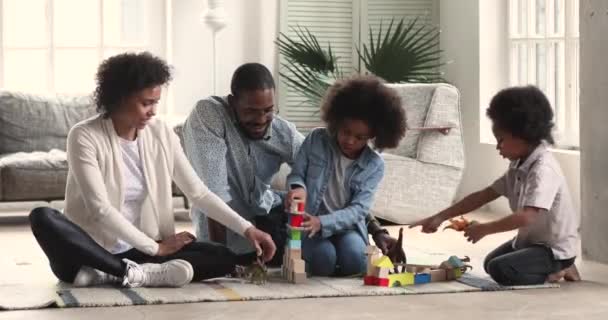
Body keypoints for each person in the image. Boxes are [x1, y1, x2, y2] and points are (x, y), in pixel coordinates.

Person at [29, 52, 275, 288]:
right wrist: (156, 249)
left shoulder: (161, 133)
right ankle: (126, 272)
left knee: (221, 255)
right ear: (119, 97)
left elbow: (198, 193)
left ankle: (118, 274)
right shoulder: (84, 136)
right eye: (146, 103)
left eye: (155, 102)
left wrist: (247, 228)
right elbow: (100, 209)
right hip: (88, 251)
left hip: (140, 248)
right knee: (43, 217)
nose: (153, 111)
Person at [182, 64, 405, 266]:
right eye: (251, 111)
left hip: (267, 232)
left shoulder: (283, 132)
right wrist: (221, 259)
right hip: (225, 237)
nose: (261, 119)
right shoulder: (209, 115)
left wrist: (377, 231)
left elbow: (338, 185)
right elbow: (213, 194)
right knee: (320, 259)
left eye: (268, 110)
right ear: (232, 103)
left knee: (349, 259)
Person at [410, 86, 581, 285]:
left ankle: (559, 268)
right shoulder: (518, 165)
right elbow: (483, 195)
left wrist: (485, 229)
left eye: (501, 140)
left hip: (553, 249)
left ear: (522, 134)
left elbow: (526, 216)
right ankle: (547, 266)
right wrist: (439, 217)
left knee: (500, 269)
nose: (498, 147)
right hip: (531, 243)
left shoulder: (543, 169)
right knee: (491, 262)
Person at [285, 75, 406, 276]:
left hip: (347, 228)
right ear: (337, 121)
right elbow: (297, 174)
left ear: (374, 136)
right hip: (309, 224)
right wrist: (298, 188)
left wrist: (323, 223)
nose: (350, 141)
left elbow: (359, 209)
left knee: (355, 259)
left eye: (360, 137)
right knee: (324, 259)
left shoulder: (374, 165)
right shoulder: (316, 140)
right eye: (345, 132)